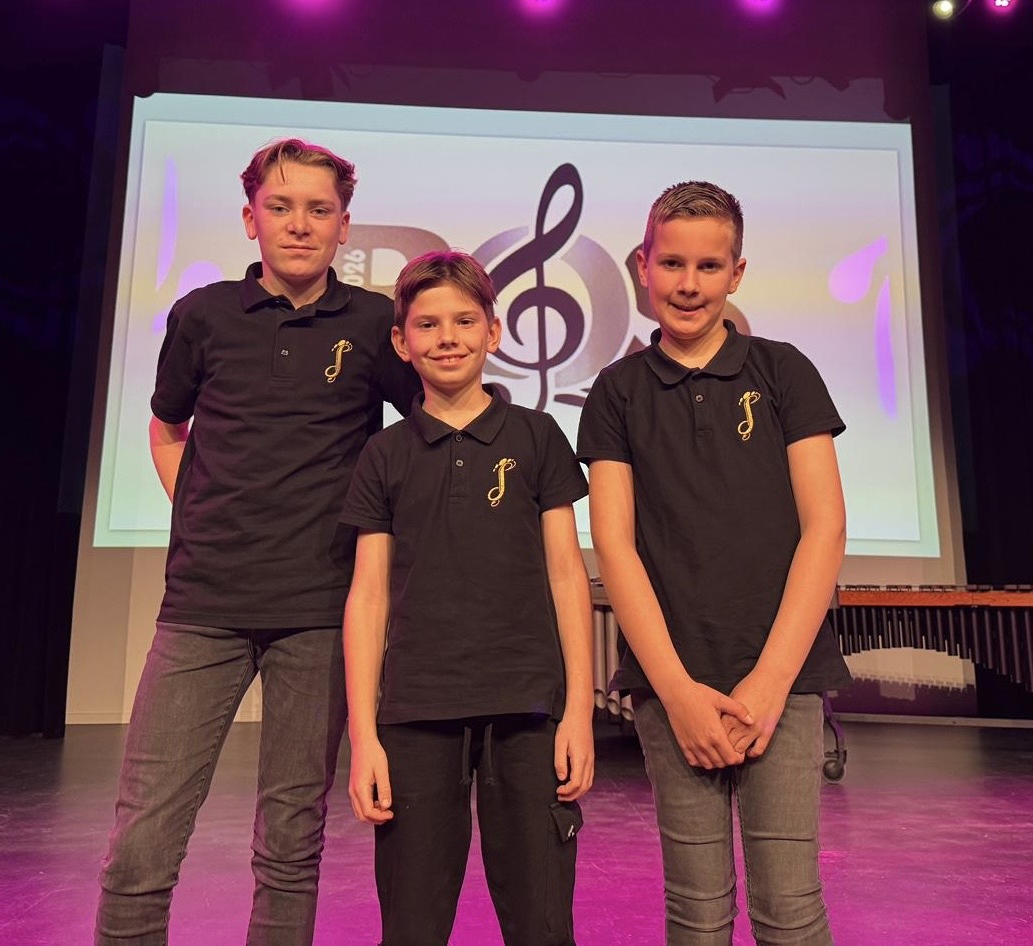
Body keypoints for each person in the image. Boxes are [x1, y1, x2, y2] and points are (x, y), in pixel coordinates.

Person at [95, 138, 421, 945]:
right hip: (201, 608)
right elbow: (167, 428)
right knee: (142, 840)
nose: (299, 224)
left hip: (320, 613)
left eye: (318, 210)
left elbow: (426, 432)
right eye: (280, 207)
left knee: (290, 842)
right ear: (250, 220)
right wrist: (200, 514)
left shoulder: (374, 323)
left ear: (344, 226)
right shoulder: (203, 315)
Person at [578, 181, 851, 945]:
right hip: (672, 689)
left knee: (789, 908)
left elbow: (824, 528)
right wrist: (676, 692)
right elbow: (615, 547)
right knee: (695, 913)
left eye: (708, 266)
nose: (688, 283)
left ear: (736, 273)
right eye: (671, 263)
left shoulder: (782, 371)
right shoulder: (616, 392)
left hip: (783, 682)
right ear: (642, 265)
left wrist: (767, 684)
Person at [340, 251, 595, 946]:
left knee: (543, 925)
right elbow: (368, 597)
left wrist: (577, 711)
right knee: (412, 926)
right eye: (427, 325)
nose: (446, 337)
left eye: (463, 321)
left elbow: (566, 575)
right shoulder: (384, 454)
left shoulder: (537, 437)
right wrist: (364, 737)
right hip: (416, 713)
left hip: (529, 710)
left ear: (493, 331)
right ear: (401, 342)